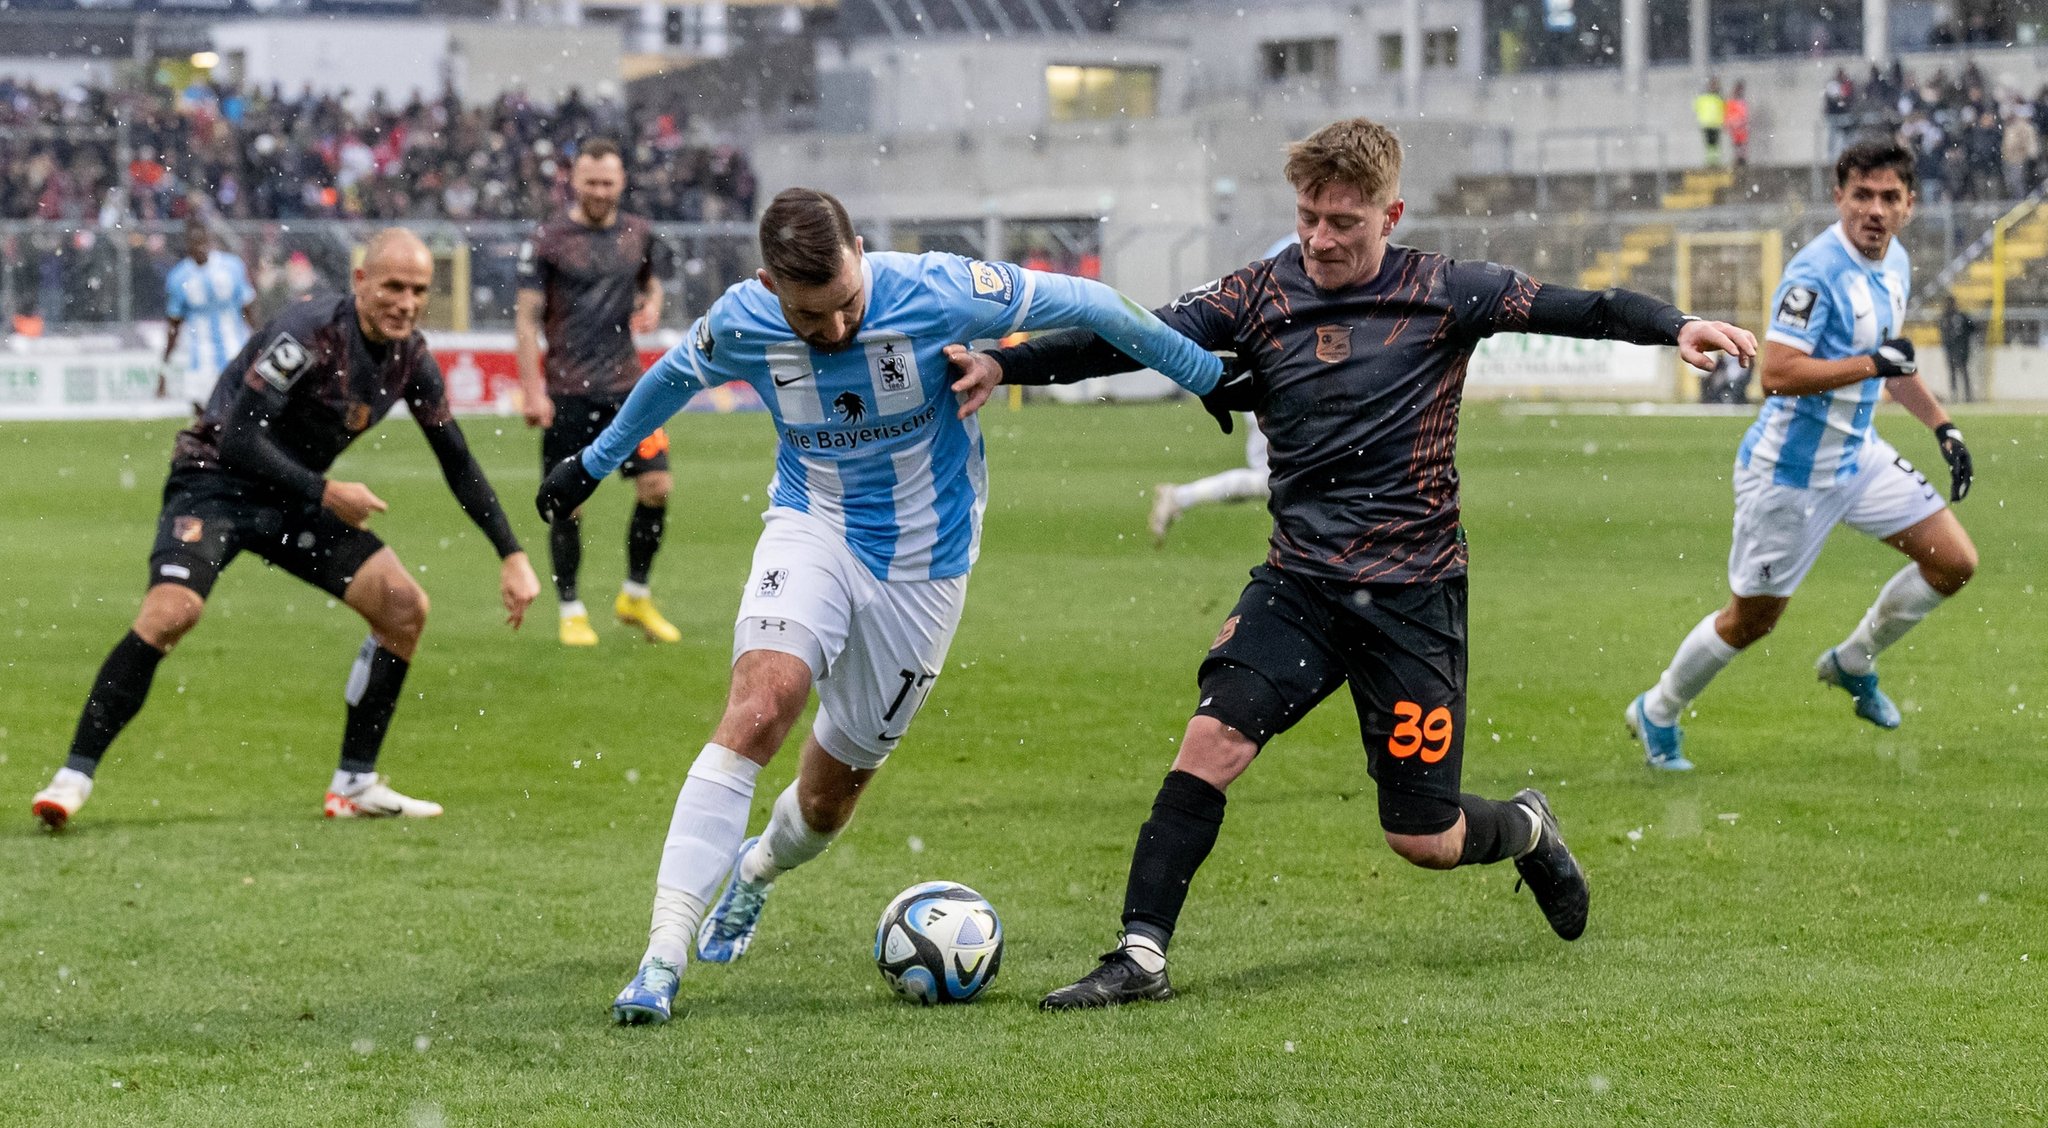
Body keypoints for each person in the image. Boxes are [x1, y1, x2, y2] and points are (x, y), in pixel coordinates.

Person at [945, 117, 1756, 1009]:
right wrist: (1003, 363)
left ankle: (1526, 828)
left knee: (1424, 836)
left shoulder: (1448, 291)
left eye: (1342, 223)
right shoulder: (1259, 294)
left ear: (1390, 215)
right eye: (1307, 218)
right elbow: (1131, 336)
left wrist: (1675, 325)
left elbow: (1587, 307)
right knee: (1210, 743)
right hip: (1299, 585)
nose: (1320, 239)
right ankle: (1141, 956)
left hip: (1415, 597)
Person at [534, 188, 1225, 1026]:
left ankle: (757, 871)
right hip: (811, 525)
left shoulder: (936, 287)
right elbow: (673, 375)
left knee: (825, 804)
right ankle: (661, 959)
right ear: (768, 286)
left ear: (861, 252)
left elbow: (1092, 302)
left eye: (846, 305)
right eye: (808, 316)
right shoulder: (744, 317)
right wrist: (593, 464)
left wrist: (1204, 375)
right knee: (759, 710)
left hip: (924, 569)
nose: (833, 330)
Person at [30, 229, 542, 830]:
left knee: (404, 608)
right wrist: (327, 491)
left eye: (418, 290)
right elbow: (240, 438)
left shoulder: (412, 360)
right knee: (172, 612)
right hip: (215, 481)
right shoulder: (307, 336)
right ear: (360, 282)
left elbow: (456, 458)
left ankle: (355, 784)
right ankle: (72, 778)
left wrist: (511, 552)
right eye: (393, 286)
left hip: (292, 496)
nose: (405, 302)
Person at [1625, 141, 1978, 772]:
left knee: (1954, 562)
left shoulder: (1894, 261)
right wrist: (1874, 364)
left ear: (1909, 206)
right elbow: (1778, 374)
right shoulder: (1816, 272)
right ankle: (1657, 709)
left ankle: (1853, 661)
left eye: (1888, 197)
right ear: (1838, 197)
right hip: (1789, 476)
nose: (1874, 209)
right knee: (1751, 622)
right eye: (1861, 195)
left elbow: (1891, 363)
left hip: (1858, 457)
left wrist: (1942, 426)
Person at [516, 137, 679, 648]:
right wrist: (531, 391)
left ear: (622, 181)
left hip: (630, 390)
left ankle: (635, 595)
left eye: (609, 183)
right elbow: (526, 320)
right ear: (574, 181)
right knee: (568, 504)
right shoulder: (548, 239)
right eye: (591, 182)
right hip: (567, 390)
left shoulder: (639, 234)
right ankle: (571, 608)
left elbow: (653, 284)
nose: (600, 192)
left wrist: (652, 304)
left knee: (657, 487)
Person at [1146, 236, 1293, 546]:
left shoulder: (1291, 249)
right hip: (1275, 388)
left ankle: (1179, 497)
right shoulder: (1301, 256)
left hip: (1273, 384)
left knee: (1279, 481)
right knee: (1279, 481)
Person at [158, 219, 256, 405]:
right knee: (202, 417)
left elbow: (249, 309)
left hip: (234, 349)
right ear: (187, 244)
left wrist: (259, 344)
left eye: (202, 240)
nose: (200, 247)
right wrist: (164, 371)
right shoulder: (179, 278)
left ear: (209, 240)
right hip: (199, 356)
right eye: (194, 242)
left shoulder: (232, 267)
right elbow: (173, 327)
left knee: (236, 411)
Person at [1939, 294, 1978, 402]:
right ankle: (1958, 395)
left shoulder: (1958, 316)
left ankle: (1965, 395)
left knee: (1961, 371)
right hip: (1953, 348)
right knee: (1956, 371)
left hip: (1959, 347)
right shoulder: (1946, 317)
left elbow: (1972, 328)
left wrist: (1962, 338)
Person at [1696, 77, 1728, 168]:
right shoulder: (1708, 98)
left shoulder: (1717, 98)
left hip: (1715, 124)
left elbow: (1724, 110)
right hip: (1707, 124)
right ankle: (1711, 161)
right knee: (1710, 144)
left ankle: (1714, 161)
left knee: (1715, 144)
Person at [1725, 81, 1752, 168]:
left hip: (1741, 127)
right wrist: (1731, 123)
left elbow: (1745, 115)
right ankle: (1739, 160)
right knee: (1737, 145)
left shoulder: (1742, 102)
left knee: (1742, 145)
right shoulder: (1732, 102)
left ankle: (1741, 160)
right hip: (1736, 128)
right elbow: (1728, 114)